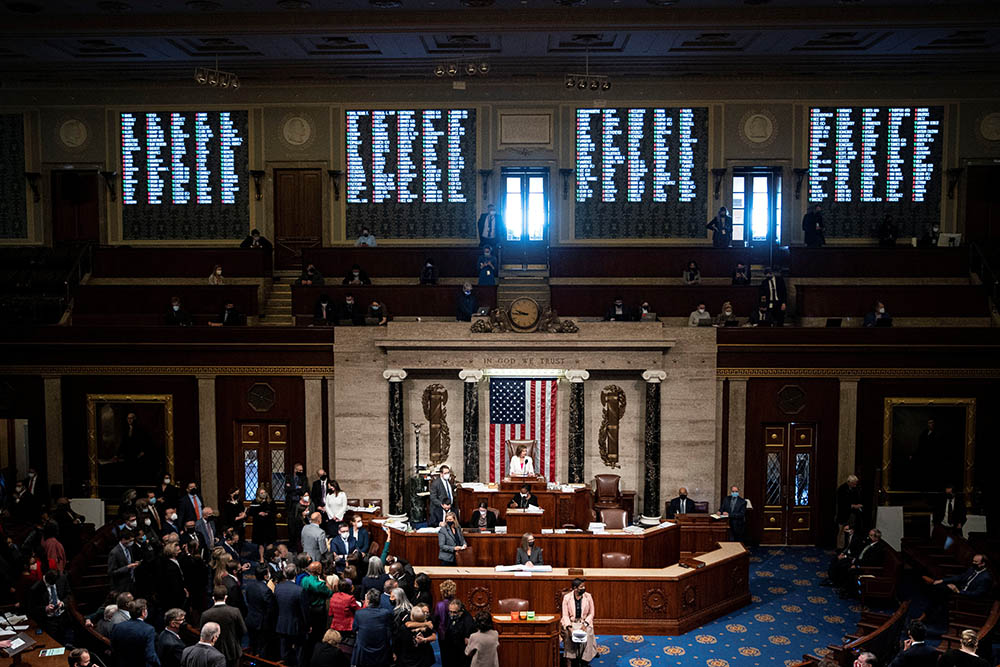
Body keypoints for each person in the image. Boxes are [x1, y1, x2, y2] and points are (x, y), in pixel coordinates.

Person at [201, 585, 247, 667]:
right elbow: (243, 630)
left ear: (213, 598)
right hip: (233, 651)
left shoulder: (206, 614)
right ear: (226, 597)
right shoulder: (235, 612)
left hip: (213, 651)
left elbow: (203, 634)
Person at [110, 599, 159, 667]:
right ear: (143, 612)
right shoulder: (148, 629)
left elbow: (113, 648)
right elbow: (150, 655)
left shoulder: (118, 626)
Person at [275, 564, 308, 665]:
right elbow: (304, 611)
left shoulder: (278, 587)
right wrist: (307, 625)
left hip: (281, 624)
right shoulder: (299, 590)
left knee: (284, 651)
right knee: (299, 652)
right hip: (296, 626)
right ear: (296, 574)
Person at [353, 588, 394, 667]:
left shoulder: (359, 613)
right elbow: (390, 630)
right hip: (381, 651)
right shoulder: (386, 613)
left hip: (364, 652)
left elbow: (355, 629)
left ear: (367, 601)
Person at [560, 578, 597, 665]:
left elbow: (591, 613)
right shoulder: (567, 598)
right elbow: (565, 615)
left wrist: (585, 624)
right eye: (581, 587)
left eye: (584, 586)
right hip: (571, 622)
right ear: (575, 588)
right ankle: (569, 659)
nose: (583, 588)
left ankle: (584, 660)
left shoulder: (588, 596)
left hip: (584, 622)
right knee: (568, 633)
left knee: (588, 633)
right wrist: (569, 627)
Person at [28, 568, 70, 642]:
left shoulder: (62, 578)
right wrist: (45, 608)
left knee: (65, 641)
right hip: (48, 621)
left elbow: (68, 594)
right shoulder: (35, 588)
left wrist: (62, 603)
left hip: (62, 617)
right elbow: (32, 608)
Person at [244, 565, 274, 657]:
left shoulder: (249, 585)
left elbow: (248, 601)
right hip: (261, 624)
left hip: (251, 619)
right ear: (265, 576)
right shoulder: (266, 590)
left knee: (252, 644)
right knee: (262, 648)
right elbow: (270, 609)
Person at [440, 599, 475, 667]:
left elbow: (466, 640)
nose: (452, 614)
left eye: (454, 612)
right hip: (451, 649)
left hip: (461, 653)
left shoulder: (468, 620)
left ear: (461, 611)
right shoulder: (451, 615)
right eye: (450, 612)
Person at [835, 475, 865, 544]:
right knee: (842, 531)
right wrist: (853, 506)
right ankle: (840, 548)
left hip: (852, 514)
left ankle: (848, 547)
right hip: (843, 514)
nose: (855, 485)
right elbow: (841, 503)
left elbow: (857, 499)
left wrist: (858, 505)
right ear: (849, 482)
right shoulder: (842, 489)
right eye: (853, 483)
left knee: (851, 531)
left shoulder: (855, 489)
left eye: (855, 483)